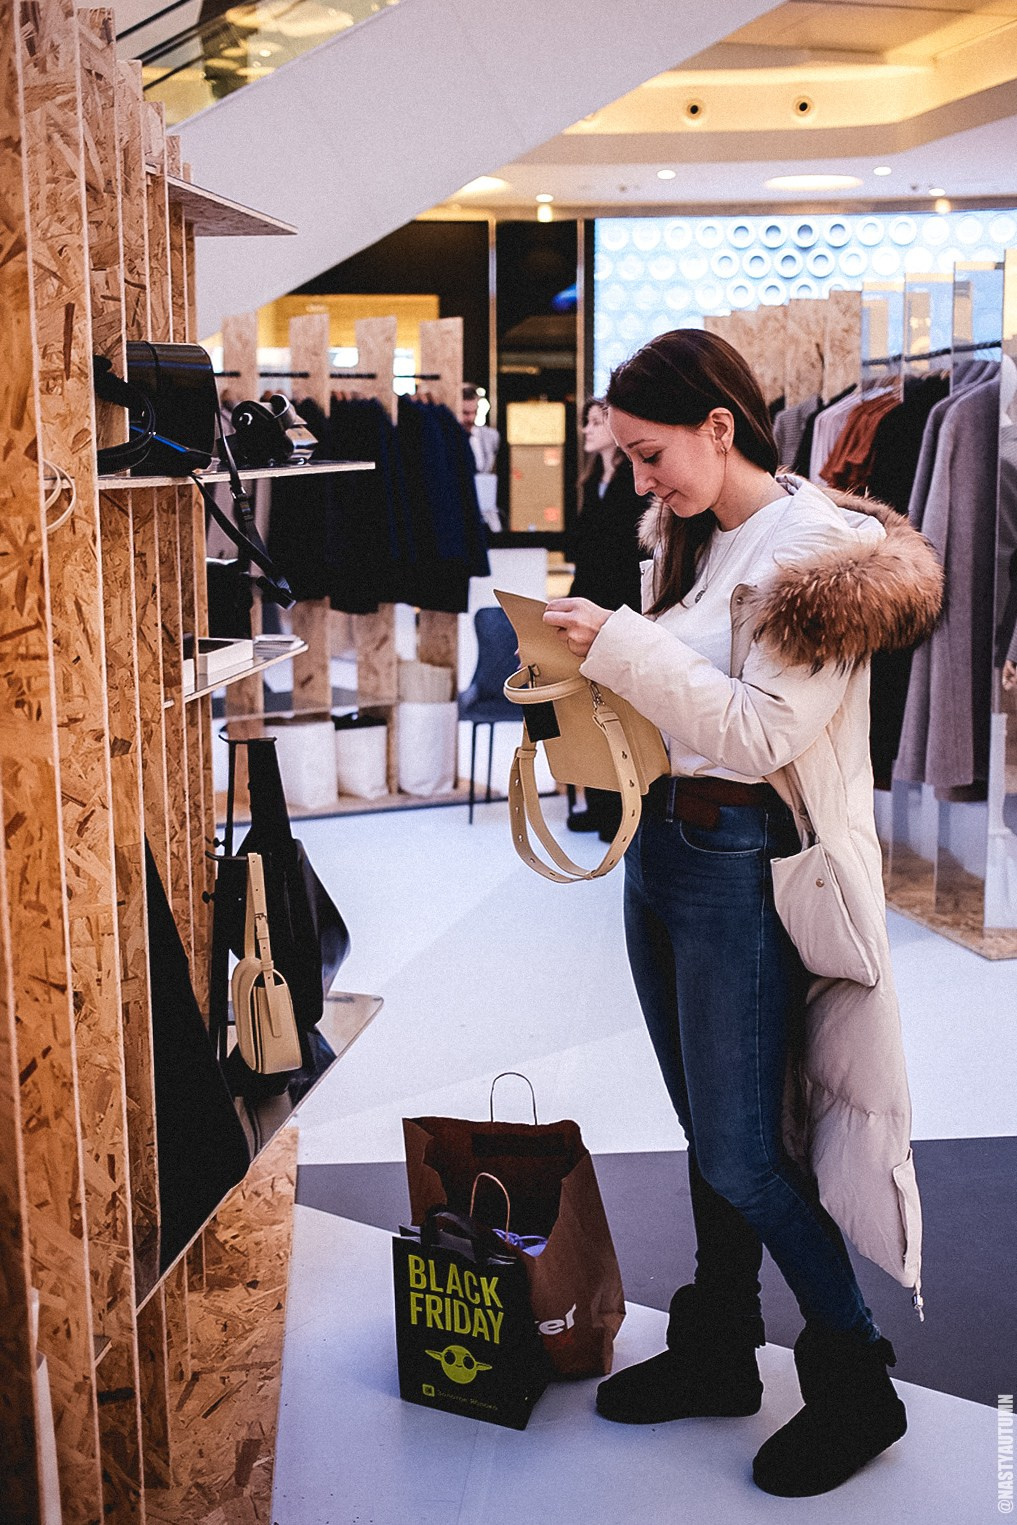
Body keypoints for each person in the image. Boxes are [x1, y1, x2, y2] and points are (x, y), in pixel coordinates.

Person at [542, 328, 942, 1498]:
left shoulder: (818, 550)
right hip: (666, 847)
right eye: (628, 461)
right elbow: (691, 693)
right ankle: (719, 1347)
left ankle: (857, 1376)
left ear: (721, 425)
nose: (640, 481)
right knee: (709, 1131)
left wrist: (618, 640)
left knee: (742, 1148)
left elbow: (765, 730)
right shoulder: (708, 536)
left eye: (651, 453)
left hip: (738, 861)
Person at [567, 397, 649, 841]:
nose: (589, 429)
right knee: (591, 706)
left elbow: (627, 553)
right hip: (590, 600)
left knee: (615, 708)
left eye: (599, 422)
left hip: (618, 607)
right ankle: (598, 801)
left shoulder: (629, 485)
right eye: (587, 422)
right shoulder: (593, 481)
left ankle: (618, 806)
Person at [461, 384, 500, 532]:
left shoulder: (490, 436)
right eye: (465, 413)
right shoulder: (450, 439)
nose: (470, 418)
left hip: (485, 511)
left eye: (474, 412)